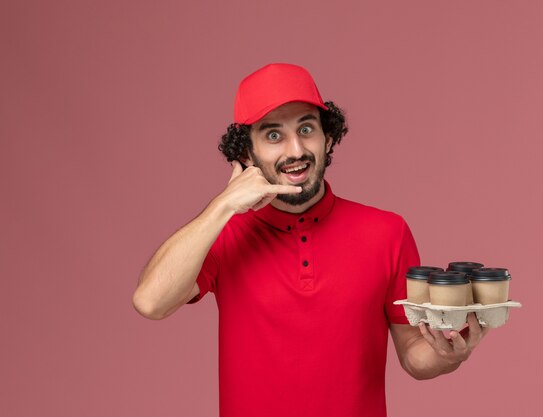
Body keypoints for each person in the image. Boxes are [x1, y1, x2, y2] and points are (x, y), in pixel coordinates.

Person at [133, 63, 488, 417]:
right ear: (246, 154)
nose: (296, 150)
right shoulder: (223, 233)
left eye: (306, 129)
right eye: (274, 136)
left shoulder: (387, 232)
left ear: (327, 137)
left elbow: (413, 352)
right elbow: (151, 302)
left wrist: (446, 353)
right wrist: (222, 206)